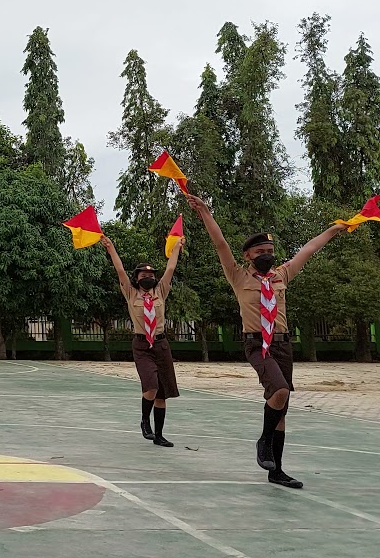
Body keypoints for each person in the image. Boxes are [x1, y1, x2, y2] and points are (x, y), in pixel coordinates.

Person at [187, 194, 345, 489]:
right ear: (248, 255)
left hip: (283, 344)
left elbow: (309, 249)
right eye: (260, 250)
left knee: (281, 405)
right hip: (257, 343)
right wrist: (206, 213)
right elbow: (220, 243)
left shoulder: (281, 274)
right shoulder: (237, 275)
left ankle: (277, 471)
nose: (267, 254)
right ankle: (263, 441)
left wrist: (334, 229)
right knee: (281, 390)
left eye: (270, 250)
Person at [101, 233, 184, 447]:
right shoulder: (131, 293)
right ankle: (145, 422)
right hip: (142, 345)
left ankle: (159, 435)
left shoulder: (161, 291)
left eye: (150, 274)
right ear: (136, 278)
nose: (147, 277)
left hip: (161, 344)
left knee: (162, 393)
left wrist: (176, 247)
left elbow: (171, 269)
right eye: (142, 275)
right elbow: (119, 270)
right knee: (151, 386)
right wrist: (110, 247)